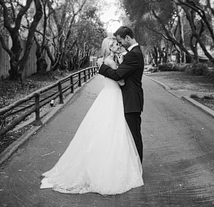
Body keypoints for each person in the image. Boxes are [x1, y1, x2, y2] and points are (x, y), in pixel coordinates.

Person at [40, 37, 143, 195]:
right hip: (113, 96)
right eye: (114, 44)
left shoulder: (108, 60)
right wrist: (121, 66)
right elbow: (121, 81)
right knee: (112, 130)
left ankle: (103, 164)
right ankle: (108, 168)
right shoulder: (110, 61)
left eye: (117, 43)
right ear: (108, 48)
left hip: (108, 95)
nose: (118, 45)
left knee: (105, 130)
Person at [99, 26, 145, 161]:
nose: (120, 45)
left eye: (120, 41)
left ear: (128, 38)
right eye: (115, 43)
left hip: (131, 101)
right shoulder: (132, 53)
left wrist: (101, 68)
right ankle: (132, 165)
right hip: (128, 100)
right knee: (129, 135)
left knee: (133, 136)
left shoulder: (133, 54)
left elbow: (119, 75)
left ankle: (137, 167)